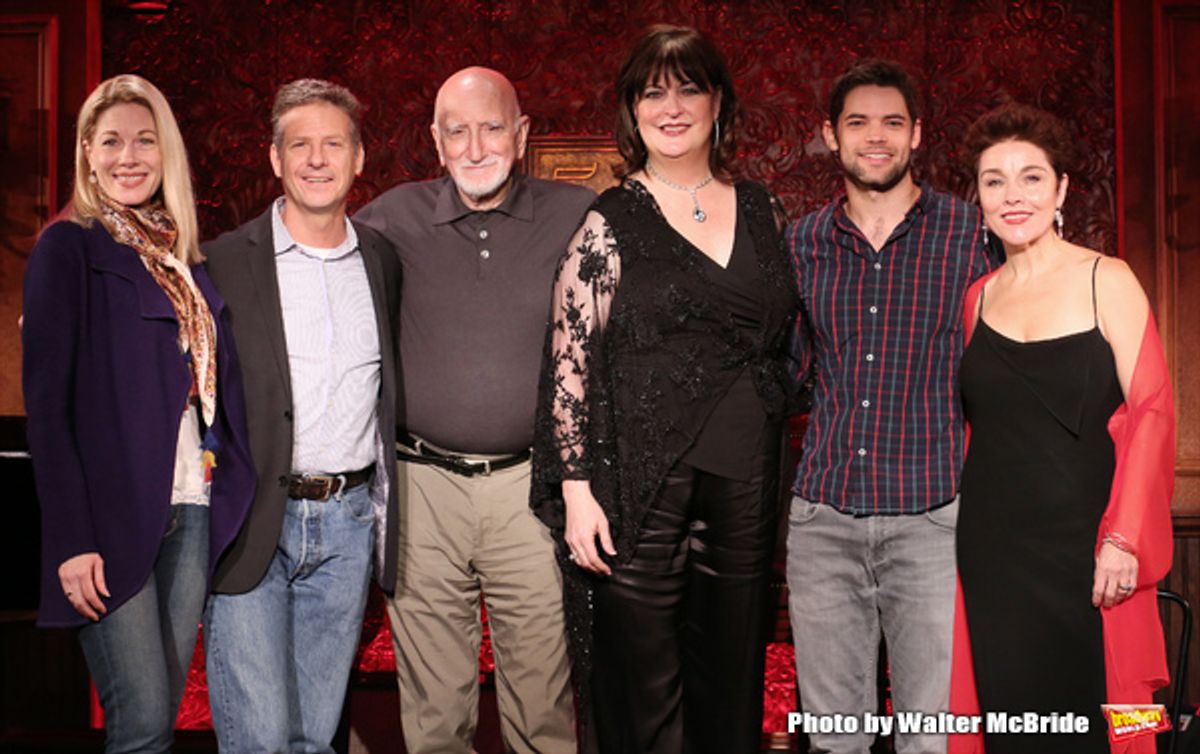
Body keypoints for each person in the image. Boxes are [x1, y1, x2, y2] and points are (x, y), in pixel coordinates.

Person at [530, 25, 798, 754]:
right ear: (631, 110)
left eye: (688, 89)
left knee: (731, 675)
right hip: (639, 491)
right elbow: (568, 368)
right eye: (653, 92)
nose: (671, 107)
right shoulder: (608, 223)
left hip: (746, 485)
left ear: (719, 103)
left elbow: (782, 348)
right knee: (640, 681)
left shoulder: (766, 211)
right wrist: (578, 490)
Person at [354, 67, 590, 754]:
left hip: (532, 489)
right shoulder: (390, 219)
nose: (476, 146)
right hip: (421, 487)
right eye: (457, 131)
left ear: (520, 135)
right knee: (433, 714)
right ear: (436, 139)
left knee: (543, 703)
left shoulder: (576, 213)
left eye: (492, 128)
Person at [21, 74, 255, 753]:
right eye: (112, 141)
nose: (129, 157)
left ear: (166, 154)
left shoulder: (181, 261)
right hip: (109, 519)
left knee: (160, 723)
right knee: (144, 721)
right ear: (87, 153)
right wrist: (70, 538)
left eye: (145, 141)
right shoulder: (68, 249)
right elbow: (48, 409)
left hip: (192, 506)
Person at [948, 104, 1175, 754]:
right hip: (992, 558)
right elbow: (981, 433)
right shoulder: (978, 298)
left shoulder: (1109, 278)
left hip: (1092, 554)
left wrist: (1125, 538)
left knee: (1102, 727)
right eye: (995, 181)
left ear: (1062, 190)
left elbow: (1152, 411)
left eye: (1030, 177)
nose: (1012, 195)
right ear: (980, 196)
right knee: (1010, 725)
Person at [785, 59, 996, 754]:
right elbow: (778, 375)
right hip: (824, 520)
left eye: (892, 123)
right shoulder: (801, 244)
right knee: (835, 741)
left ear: (916, 135)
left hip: (934, 521)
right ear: (830, 136)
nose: (875, 137)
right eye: (857, 123)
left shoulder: (973, 236)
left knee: (930, 742)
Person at [202, 79, 400, 753]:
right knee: (257, 739)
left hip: (345, 529)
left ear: (359, 158)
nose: (317, 159)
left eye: (333, 144)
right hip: (254, 519)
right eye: (300, 145)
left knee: (316, 738)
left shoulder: (382, 261)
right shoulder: (225, 261)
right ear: (275, 158)